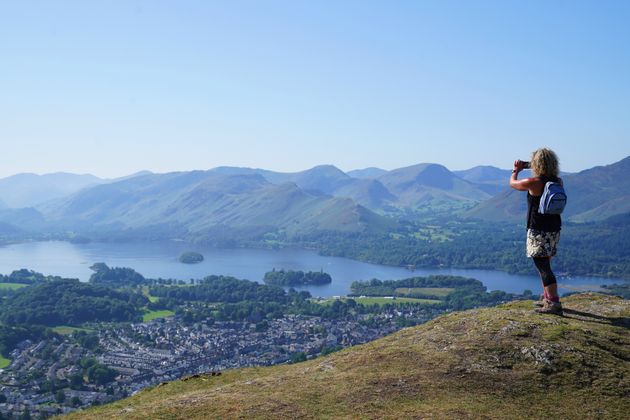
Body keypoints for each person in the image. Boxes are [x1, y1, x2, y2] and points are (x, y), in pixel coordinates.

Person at [510, 148, 563, 315]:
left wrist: (516, 171)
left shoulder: (534, 182)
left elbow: (513, 183)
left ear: (536, 163)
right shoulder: (558, 181)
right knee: (545, 263)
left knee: (543, 266)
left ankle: (553, 303)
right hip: (554, 227)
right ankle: (547, 297)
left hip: (538, 229)